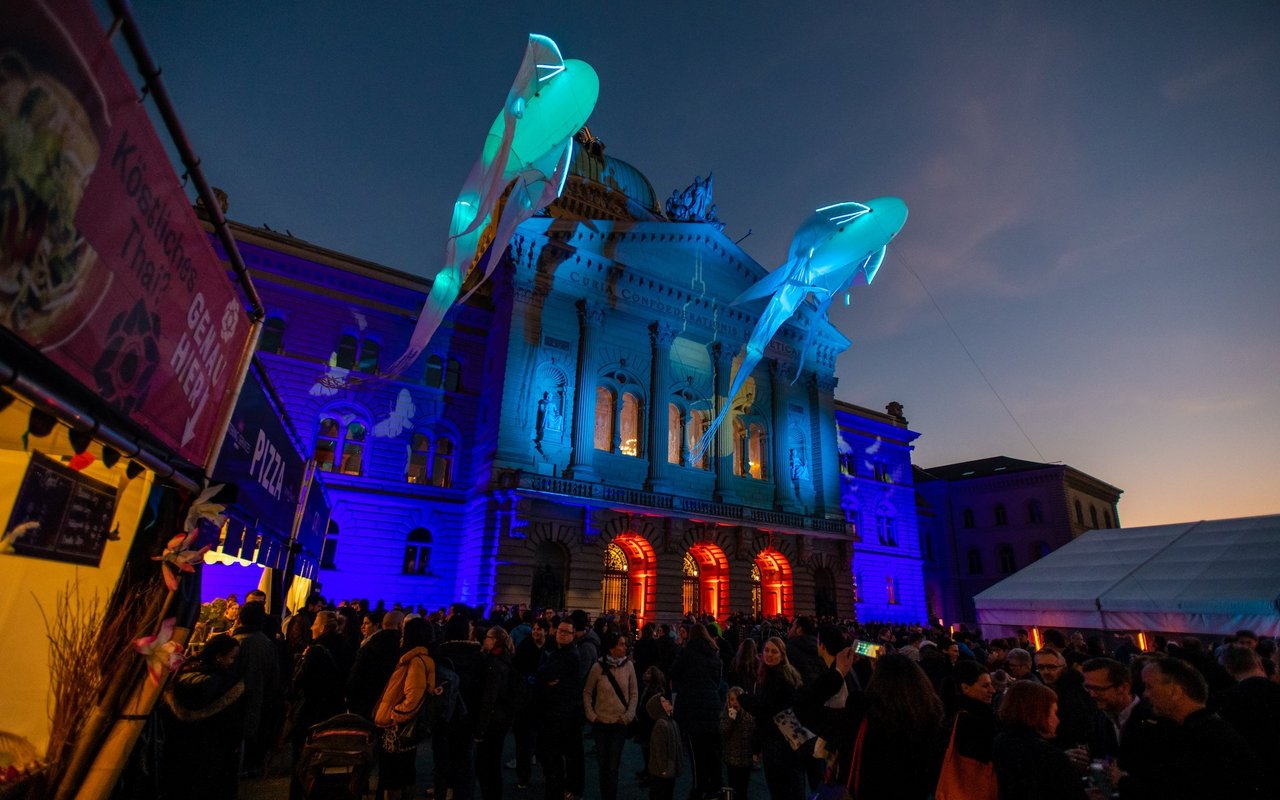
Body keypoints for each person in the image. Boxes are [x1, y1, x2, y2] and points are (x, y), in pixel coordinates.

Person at [160, 634, 245, 800]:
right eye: (231, 657)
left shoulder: (180, 678)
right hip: (215, 753)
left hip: (181, 752)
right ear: (219, 656)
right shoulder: (227, 685)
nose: (233, 662)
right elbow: (231, 725)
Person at [373, 617, 435, 800]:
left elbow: (413, 696)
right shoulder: (413, 658)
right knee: (404, 771)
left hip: (396, 727)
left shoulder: (415, 660)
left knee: (393, 773)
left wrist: (395, 715)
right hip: (400, 724)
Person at [991, 680, 1085, 800]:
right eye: (1054, 713)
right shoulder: (1047, 755)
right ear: (1039, 713)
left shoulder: (1001, 741)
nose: (1058, 720)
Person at [739, 636, 806, 800]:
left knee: (780, 790)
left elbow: (765, 710)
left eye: (774, 651)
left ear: (782, 655)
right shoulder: (782, 675)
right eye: (767, 650)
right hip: (787, 740)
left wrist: (743, 699)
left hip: (778, 743)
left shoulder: (777, 679)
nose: (769, 654)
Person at [667, 622, 723, 800]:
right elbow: (718, 681)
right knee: (713, 751)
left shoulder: (687, 651)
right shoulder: (714, 654)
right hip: (713, 707)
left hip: (692, 708)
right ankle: (715, 787)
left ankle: (698, 789)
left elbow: (673, 673)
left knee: (695, 753)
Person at [432, 614, 485, 800]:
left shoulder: (439, 653)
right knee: (465, 764)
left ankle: (441, 793)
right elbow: (482, 693)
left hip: (443, 715)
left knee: (441, 763)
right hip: (467, 717)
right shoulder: (478, 656)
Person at [1218, 645, 1280, 799]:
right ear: (1259, 663)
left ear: (1229, 670)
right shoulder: (1276, 691)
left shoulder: (1224, 700)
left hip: (1248, 775)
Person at [583, 631, 639, 800]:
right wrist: (591, 715)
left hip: (619, 724)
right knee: (603, 765)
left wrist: (629, 715)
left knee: (613, 766)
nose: (625, 647)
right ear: (611, 648)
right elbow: (587, 692)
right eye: (621, 644)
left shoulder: (629, 666)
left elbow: (634, 693)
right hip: (601, 723)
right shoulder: (597, 667)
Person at [232, 599, 280, 777]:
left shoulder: (237, 643)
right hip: (260, 700)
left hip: (238, 701)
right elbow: (274, 676)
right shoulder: (266, 643)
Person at [536, 619, 583, 800]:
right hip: (554, 712)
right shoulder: (557, 652)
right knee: (553, 756)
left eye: (566, 632)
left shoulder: (571, 655)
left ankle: (560, 789)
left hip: (561, 714)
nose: (562, 634)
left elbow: (544, 674)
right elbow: (542, 673)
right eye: (560, 631)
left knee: (555, 756)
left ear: (573, 635)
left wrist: (545, 680)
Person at [475, 626, 516, 800]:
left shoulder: (493, 663)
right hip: (502, 718)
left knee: (486, 764)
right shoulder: (506, 658)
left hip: (492, 720)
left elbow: (489, 698)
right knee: (492, 762)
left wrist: (480, 730)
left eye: (488, 637)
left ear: (495, 640)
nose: (485, 640)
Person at [347, 610, 404, 721]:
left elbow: (355, 675)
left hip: (364, 700)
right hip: (388, 702)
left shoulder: (369, 646)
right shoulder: (402, 648)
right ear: (400, 625)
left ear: (382, 624)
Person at [719, 687, 756, 800]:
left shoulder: (749, 716)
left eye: (738, 699)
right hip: (732, 759)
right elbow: (723, 732)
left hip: (745, 758)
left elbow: (754, 735)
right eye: (732, 699)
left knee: (743, 789)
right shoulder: (726, 715)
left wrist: (755, 752)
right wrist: (731, 719)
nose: (735, 702)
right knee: (732, 788)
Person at [647, 694, 682, 800]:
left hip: (669, 769)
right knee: (661, 794)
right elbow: (659, 749)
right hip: (662, 771)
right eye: (663, 701)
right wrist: (663, 769)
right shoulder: (661, 724)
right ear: (658, 708)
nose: (667, 701)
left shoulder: (671, 722)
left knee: (667, 793)